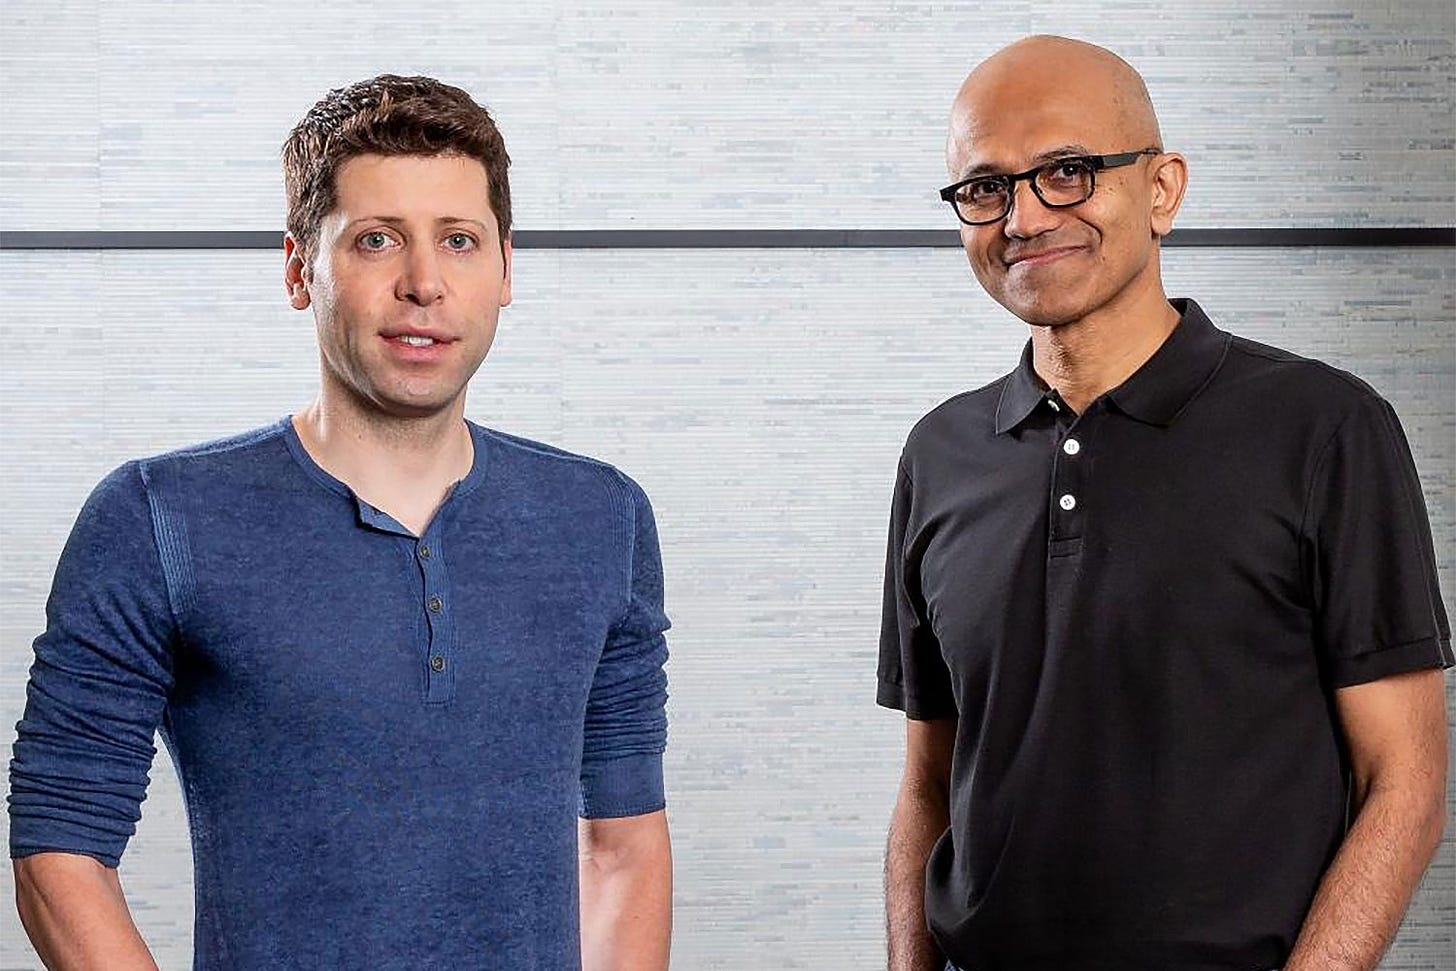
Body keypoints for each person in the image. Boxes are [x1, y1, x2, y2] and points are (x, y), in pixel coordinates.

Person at [9, 75, 672, 970]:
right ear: (298, 269)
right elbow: (61, 842)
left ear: (506, 269)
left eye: (460, 241)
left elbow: (622, 844)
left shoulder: (602, 517)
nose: (424, 284)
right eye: (375, 240)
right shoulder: (157, 516)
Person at [879, 35, 1450, 971]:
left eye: (1066, 171)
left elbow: (1408, 782)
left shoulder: (1325, 428)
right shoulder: (939, 454)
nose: (1022, 217)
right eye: (985, 187)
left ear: (1162, 189)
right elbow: (929, 785)